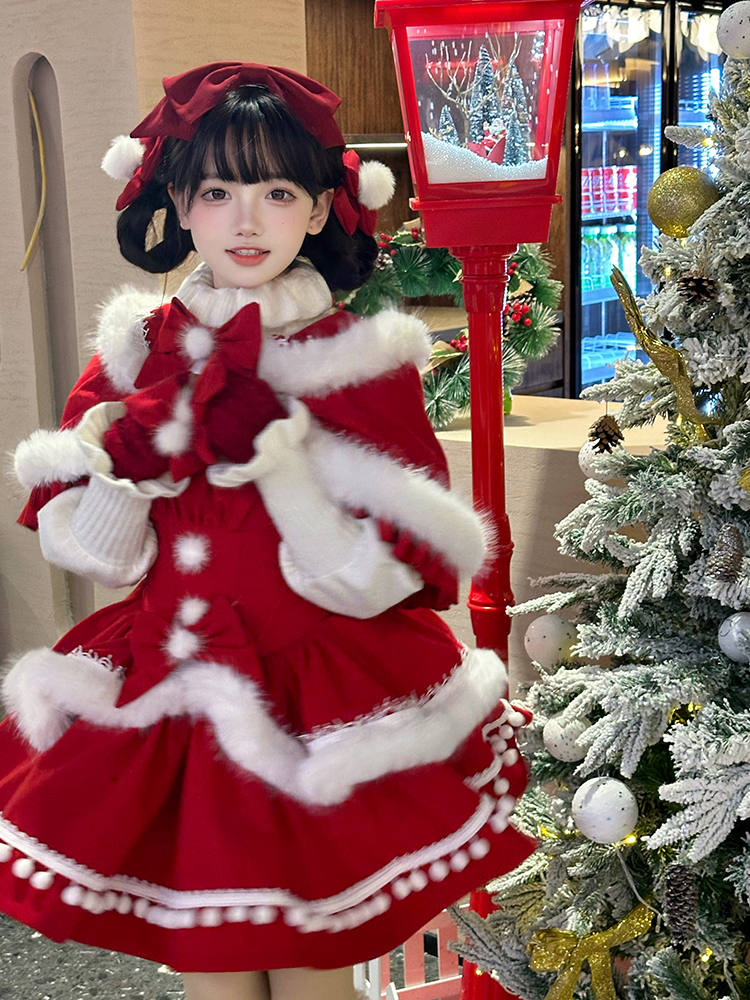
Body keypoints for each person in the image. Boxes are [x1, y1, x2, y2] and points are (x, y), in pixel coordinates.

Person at [1, 63, 534, 1000]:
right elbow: (95, 556)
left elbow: (388, 577)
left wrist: (282, 462)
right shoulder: (132, 354)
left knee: (312, 972)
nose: (246, 220)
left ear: (324, 209)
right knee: (213, 970)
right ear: (178, 200)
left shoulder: (362, 367)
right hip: (171, 687)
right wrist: (130, 469)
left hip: (318, 693)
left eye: (277, 191)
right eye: (217, 190)